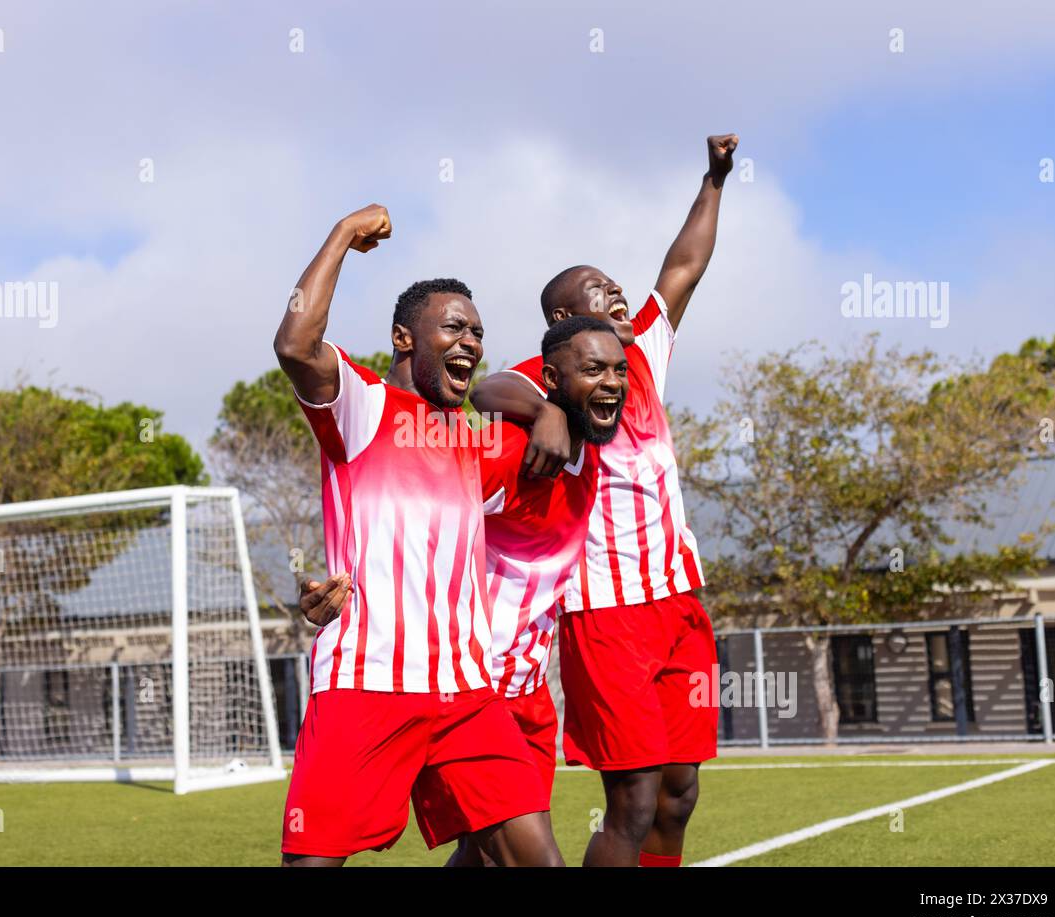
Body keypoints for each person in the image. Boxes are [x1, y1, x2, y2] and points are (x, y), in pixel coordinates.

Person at [469, 134, 738, 867]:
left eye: (617, 287)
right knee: (636, 798)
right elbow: (485, 385)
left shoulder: (640, 352)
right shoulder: (553, 373)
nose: (618, 297)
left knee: (681, 793)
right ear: (561, 322)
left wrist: (714, 180)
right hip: (604, 615)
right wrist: (544, 411)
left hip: (679, 602)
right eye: (599, 293)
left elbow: (685, 264)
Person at [274, 202, 562, 867]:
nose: (472, 341)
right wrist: (343, 235)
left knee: (537, 860)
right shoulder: (364, 405)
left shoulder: (473, 444)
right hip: (366, 684)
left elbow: (537, 389)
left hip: (466, 692)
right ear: (405, 337)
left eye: (479, 332)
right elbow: (294, 344)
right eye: (454, 326)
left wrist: (548, 409)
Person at [303, 315, 629, 866]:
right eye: (594, 370)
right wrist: (339, 590)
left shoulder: (589, 459)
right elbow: (404, 505)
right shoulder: (508, 450)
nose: (613, 384)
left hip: (523, 688)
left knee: (491, 854)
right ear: (550, 380)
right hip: (464, 684)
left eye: (620, 371)